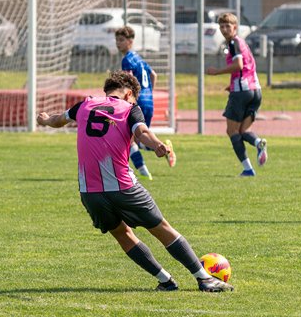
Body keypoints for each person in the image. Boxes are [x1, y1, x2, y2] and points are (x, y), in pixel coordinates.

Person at [37, 70, 233, 292]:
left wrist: (45, 119)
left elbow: (58, 120)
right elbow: (142, 132)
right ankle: (204, 278)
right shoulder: (130, 109)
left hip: (90, 191)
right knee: (161, 228)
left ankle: (166, 281)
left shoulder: (84, 105)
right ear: (129, 94)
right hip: (123, 187)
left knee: (122, 234)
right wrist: (157, 144)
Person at [207, 11, 267, 176]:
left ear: (235, 27)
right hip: (255, 90)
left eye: (228, 26)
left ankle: (248, 169)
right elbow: (247, 67)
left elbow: (239, 65)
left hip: (242, 91)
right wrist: (232, 84)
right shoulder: (242, 42)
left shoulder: (233, 43)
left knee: (232, 131)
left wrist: (217, 72)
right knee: (243, 131)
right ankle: (258, 142)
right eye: (221, 26)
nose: (224, 29)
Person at [115, 25, 176, 179]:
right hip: (148, 101)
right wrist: (149, 93)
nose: (118, 43)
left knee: (129, 139)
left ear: (130, 41)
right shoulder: (139, 58)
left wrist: (124, 99)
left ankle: (143, 172)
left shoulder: (127, 59)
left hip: (137, 102)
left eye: (121, 40)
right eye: (117, 40)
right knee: (140, 137)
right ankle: (165, 148)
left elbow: (128, 81)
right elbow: (153, 74)